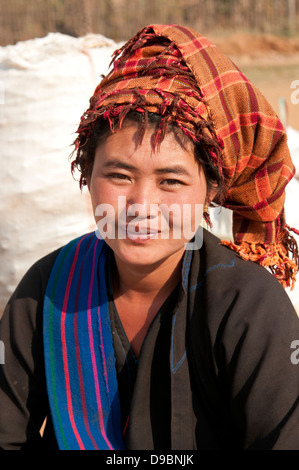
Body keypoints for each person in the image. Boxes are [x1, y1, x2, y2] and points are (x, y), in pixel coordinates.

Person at [0, 24, 299, 451]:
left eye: (171, 181)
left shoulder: (247, 306)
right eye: (119, 175)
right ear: (87, 176)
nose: (141, 205)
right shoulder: (47, 292)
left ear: (211, 190)